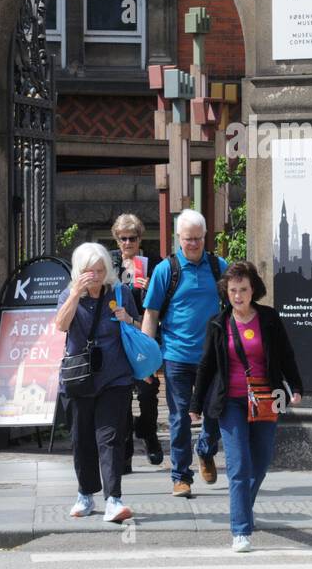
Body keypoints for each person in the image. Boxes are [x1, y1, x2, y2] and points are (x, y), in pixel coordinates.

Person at [190, 261, 303, 552]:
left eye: (243, 289)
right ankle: (240, 529)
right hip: (231, 401)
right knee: (239, 465)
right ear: (225, 292)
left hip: (267, 398)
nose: (238, 296)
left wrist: (296, 386)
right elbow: (206, 365)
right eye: (232, 290)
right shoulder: (218, 323)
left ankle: (243, 507)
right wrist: (196, 403)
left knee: (261, 462)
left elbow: (287, 354)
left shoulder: (269, 318)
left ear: (254, 290)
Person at [141, 209, 226, 497]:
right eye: (188, 239)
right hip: (176, 355)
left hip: (212, 357)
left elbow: (234, 308)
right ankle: (181, 477)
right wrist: (147, 357)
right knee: (179, 417)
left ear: (205, 237)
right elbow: (151, 314)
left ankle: (205, 449)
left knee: (215, 411)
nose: (193, 244)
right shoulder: (167, 270)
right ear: (179, 238)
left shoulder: (218, 267)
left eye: (198, 239)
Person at [54, 242, 139, 523]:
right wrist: (76, 295)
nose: (97, 276)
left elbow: (139, 329)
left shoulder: (120, 292)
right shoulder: (69, 293)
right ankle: (85, 494)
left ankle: (114, 499)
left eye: (101, 270)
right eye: (91, 272)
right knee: (82, 440)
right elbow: (61, 326)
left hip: (115, 377)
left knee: (110, 438)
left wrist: (127, 319)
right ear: (80, 272)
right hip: (80, 379)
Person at [109, 214, 164, 471]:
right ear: (117, 240)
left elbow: (163, 302)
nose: (128, 243)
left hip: (142, 332)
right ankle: (126, 454)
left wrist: (150, 287)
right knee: (120, 396)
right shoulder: (110, 264)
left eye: (132, 238)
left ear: (140, 239)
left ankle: (149, 433)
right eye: (123, 239)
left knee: (148, 389)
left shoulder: (152, 265)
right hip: (116, 337)